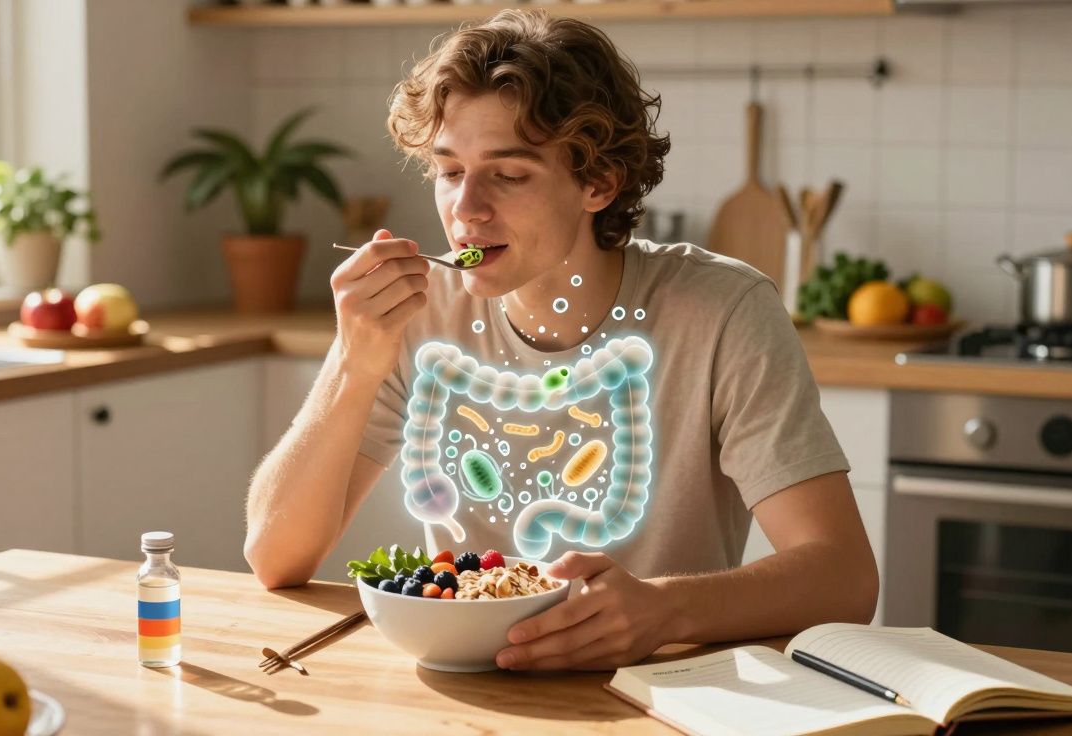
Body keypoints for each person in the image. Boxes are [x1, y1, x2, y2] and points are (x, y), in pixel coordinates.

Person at [244, 9, 877, 671]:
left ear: (597, 183)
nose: (466, 210)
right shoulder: (417, 313)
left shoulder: (721, 313)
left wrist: (664, 609)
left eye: (508, 175)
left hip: (658, 694)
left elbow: (844, 577)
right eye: (450, 170)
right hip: (468, 691)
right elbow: (275, 557)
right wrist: (355, 360)